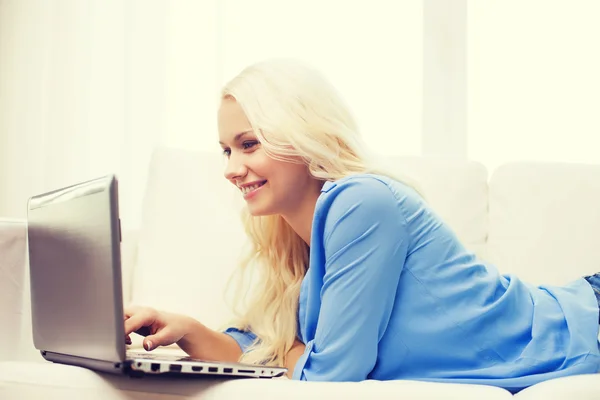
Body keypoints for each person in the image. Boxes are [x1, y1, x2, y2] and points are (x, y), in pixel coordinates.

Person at [124, 58, 600, 393]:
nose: (230, 168)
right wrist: (188, 330)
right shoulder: (299, 240)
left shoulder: (362, 202)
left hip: (580, 328)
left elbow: (331, 377)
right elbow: (259, 347)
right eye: (226, 150)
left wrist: (291, 351)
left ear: (302, 135)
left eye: (250, 144)